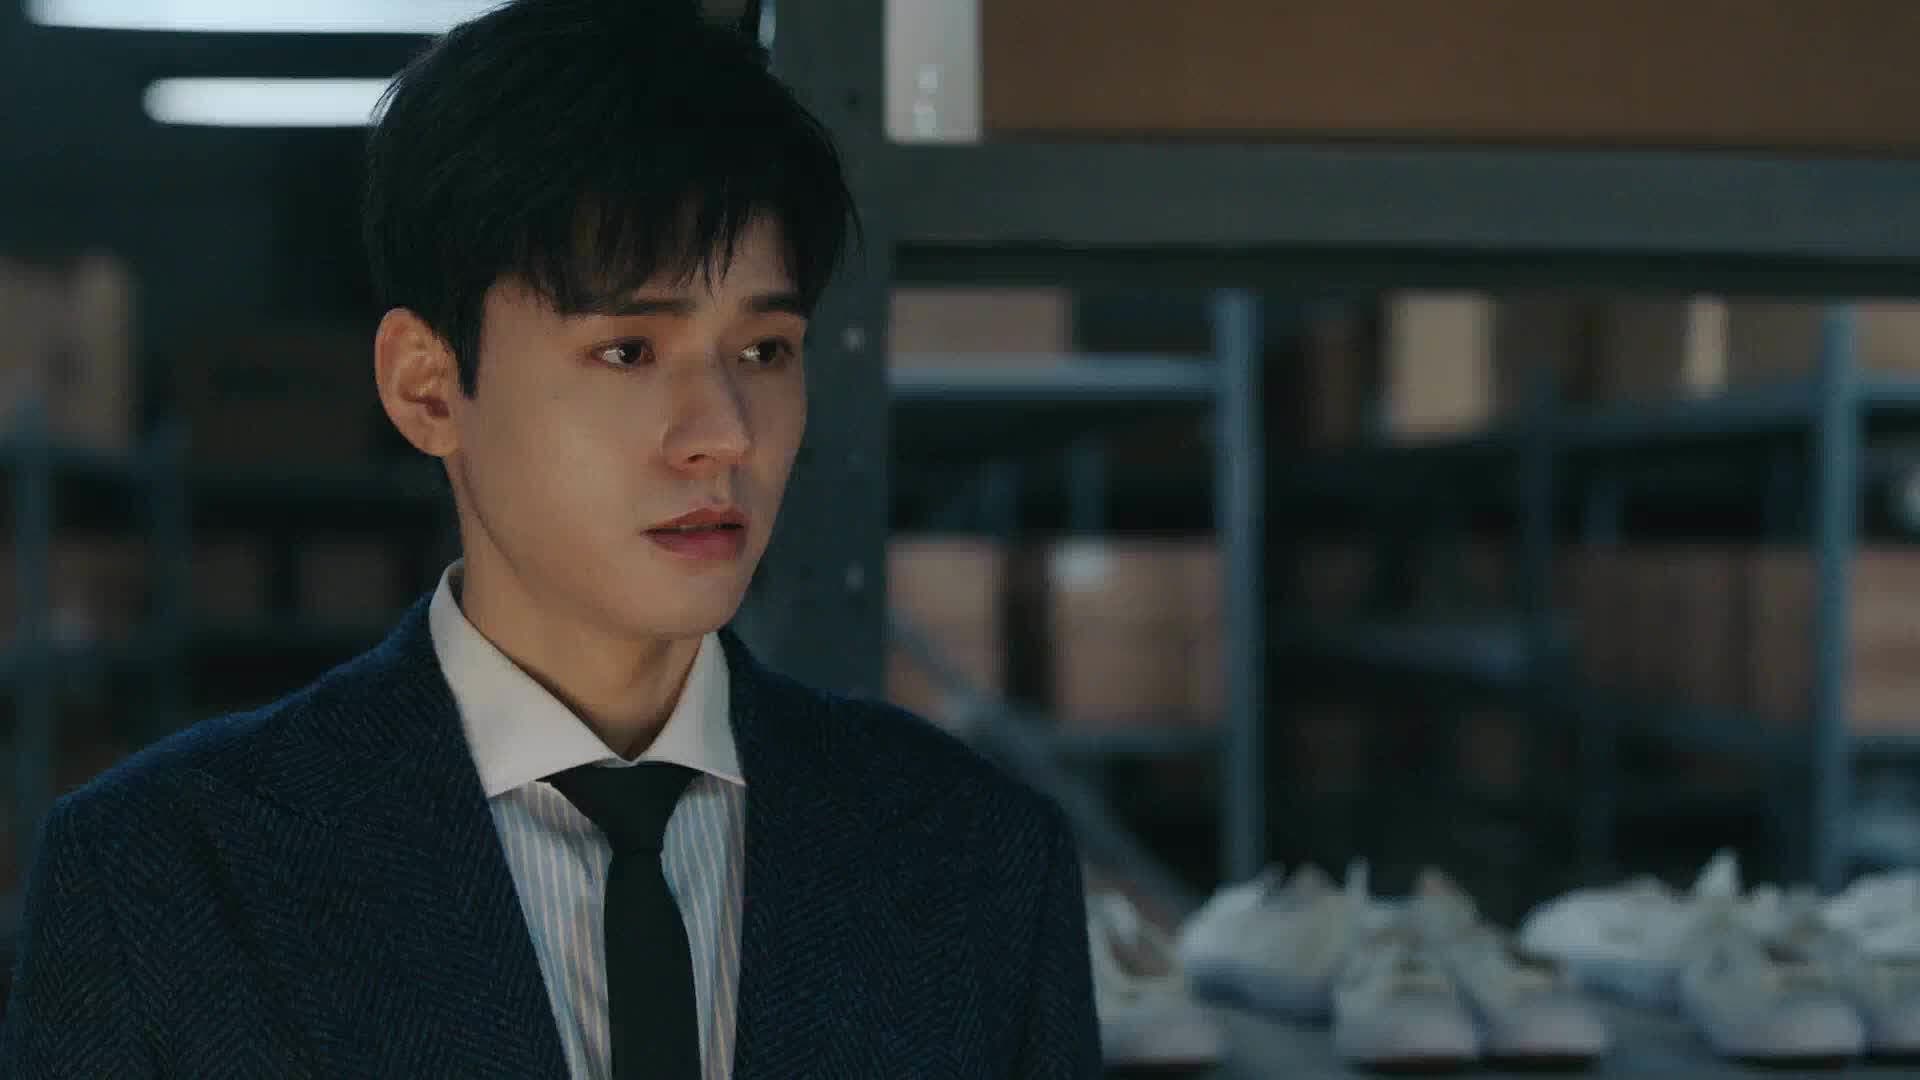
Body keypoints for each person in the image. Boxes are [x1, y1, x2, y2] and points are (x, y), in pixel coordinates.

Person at [0, 1, 1100, 1076]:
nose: (724, 433)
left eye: (764, 350)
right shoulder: (163, 882)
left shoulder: (982, 859)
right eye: (628, 351)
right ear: (428, 388)